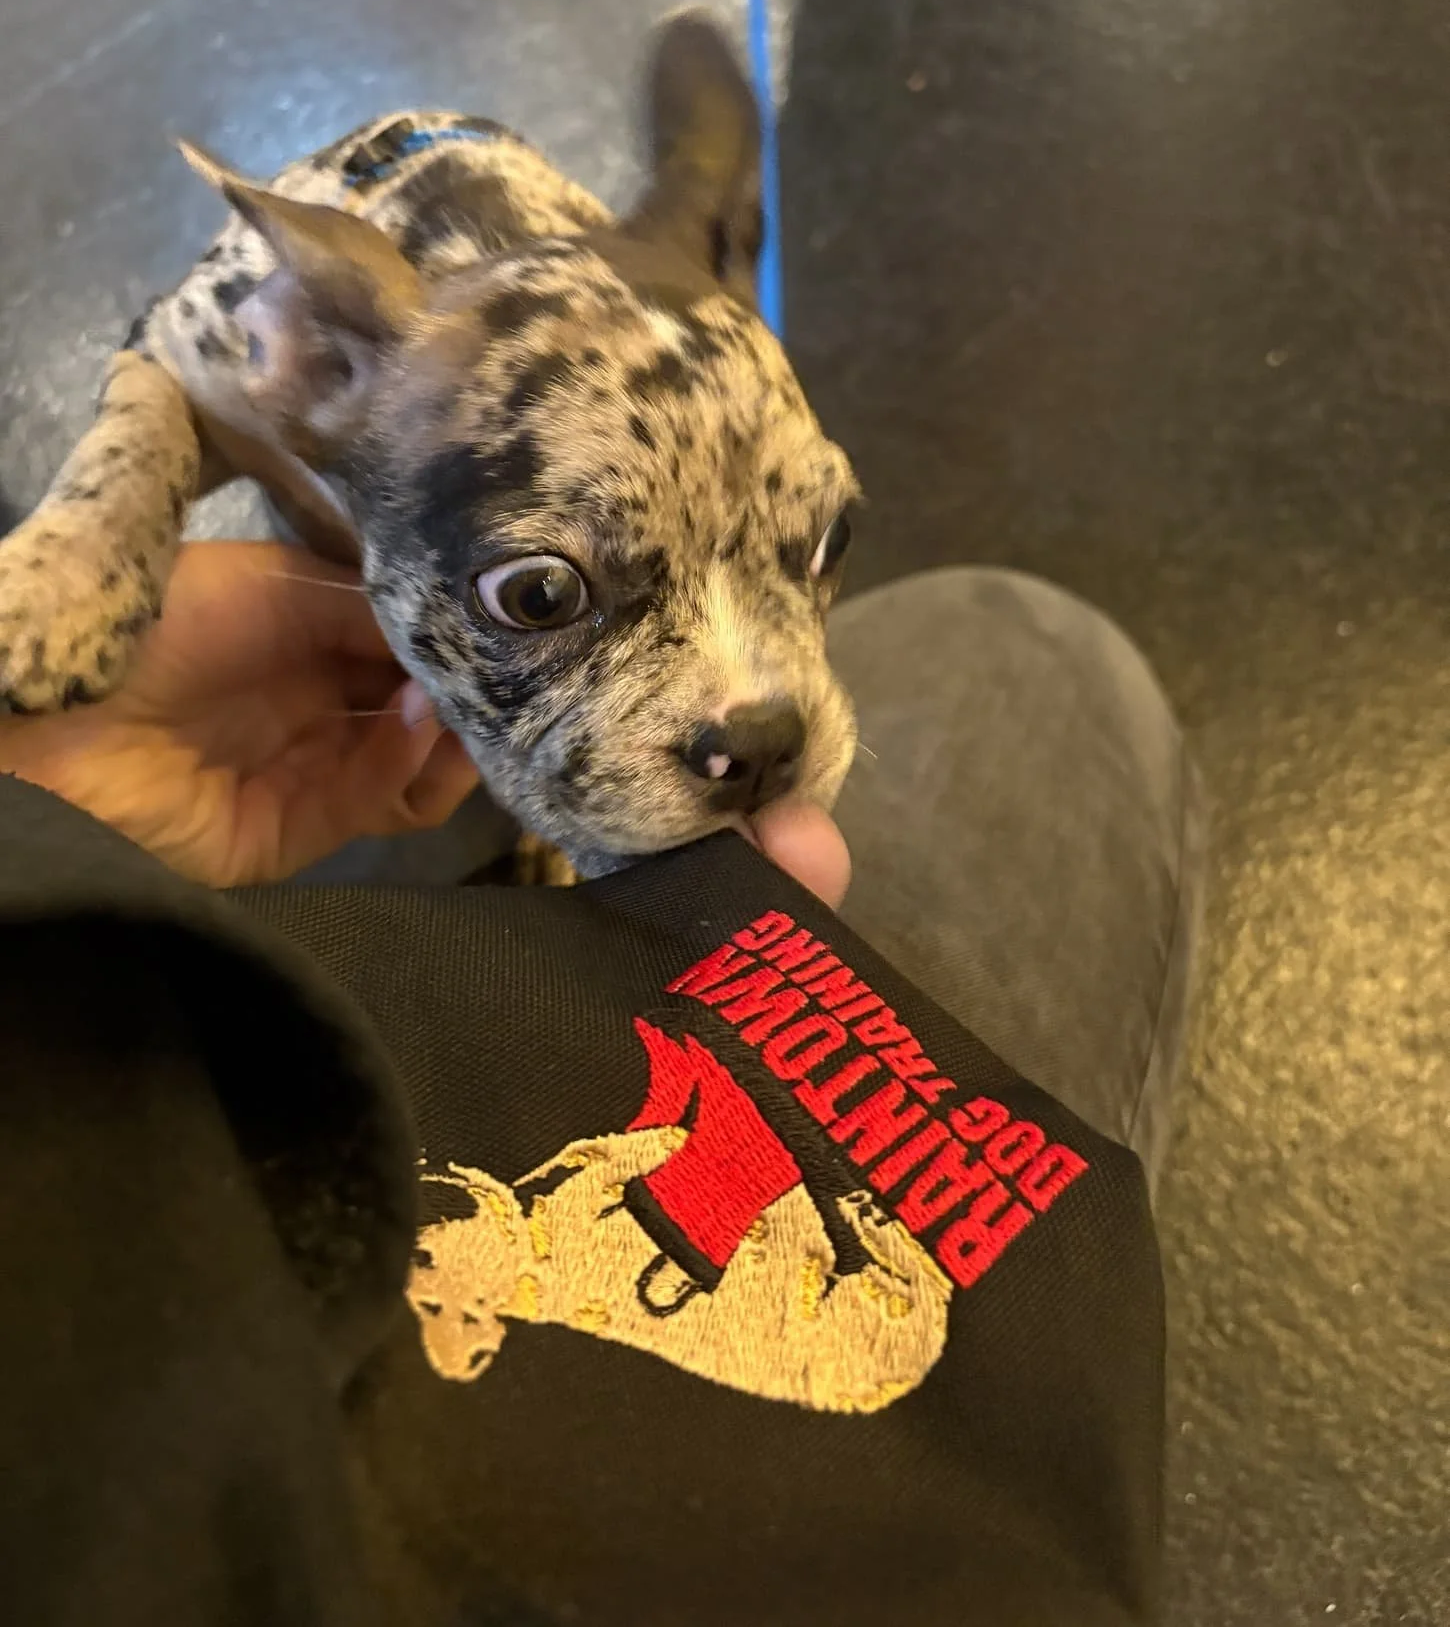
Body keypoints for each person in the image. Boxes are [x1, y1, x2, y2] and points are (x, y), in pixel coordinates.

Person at [0, 540, 1203, 1627]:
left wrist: (33, 808)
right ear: (460, 1328)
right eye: (542, 589)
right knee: (1022, 648)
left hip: (117, 991)